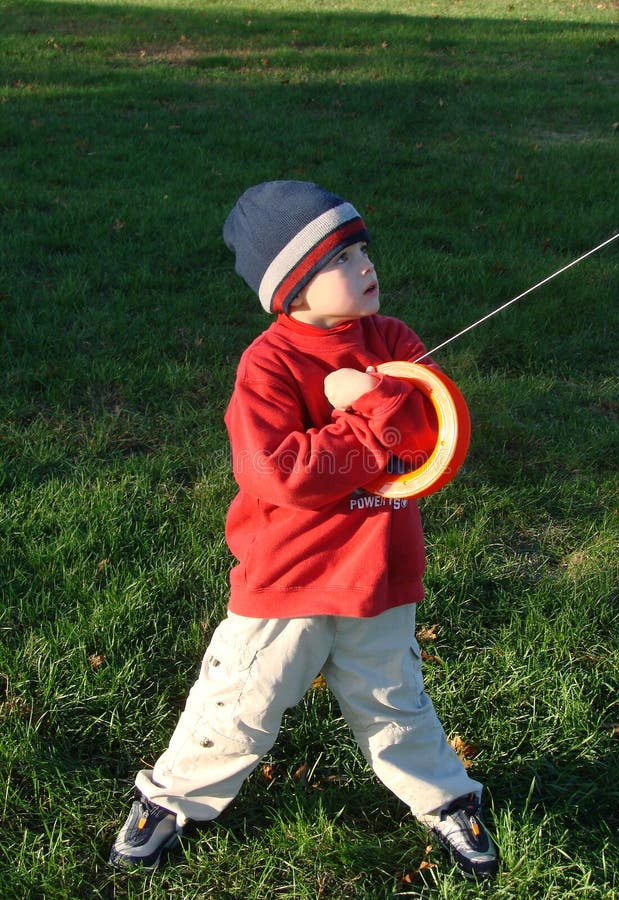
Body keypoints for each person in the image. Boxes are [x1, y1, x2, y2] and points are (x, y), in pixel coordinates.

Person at [108, 181, 498, 880]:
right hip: (287, 578)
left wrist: (374, 398)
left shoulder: (392, 341)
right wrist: (362, 419)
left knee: (394, 700)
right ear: (290, 289)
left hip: (378, 569)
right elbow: (280, 474)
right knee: (240, 703)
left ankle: (445, 799)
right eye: (338, 259)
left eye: (359, 248)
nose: (363, 265)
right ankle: (169, 798)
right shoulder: (269, 365)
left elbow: (432, 435)